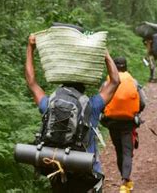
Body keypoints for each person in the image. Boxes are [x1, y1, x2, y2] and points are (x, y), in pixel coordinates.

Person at [25, 34, 120, 192]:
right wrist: (105, 54)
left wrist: (30, 48)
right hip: (87, 173)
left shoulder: (49, 104)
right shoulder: (92, 106)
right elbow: (115, 81)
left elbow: (31, 82)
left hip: (58, 170)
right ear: (83, 86)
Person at [100, 57, 146, 193]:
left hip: (112, 122)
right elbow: (142, 102)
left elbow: (101, 101)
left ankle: (124, 179)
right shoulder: (133, 81)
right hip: (128, 123)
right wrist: (136, 112)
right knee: (127, 152)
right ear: (126, 67)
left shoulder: (107, 83)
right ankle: (125, 182)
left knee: (119, 151)